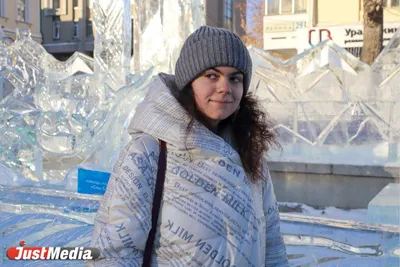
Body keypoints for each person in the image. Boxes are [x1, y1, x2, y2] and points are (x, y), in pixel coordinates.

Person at [89, 26, 288, 266]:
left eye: (235, 78)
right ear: (189, 82)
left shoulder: (249, 151)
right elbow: (116, 252)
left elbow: (272, 243)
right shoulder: (148, 153)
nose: (225, 87)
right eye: (212, 76)